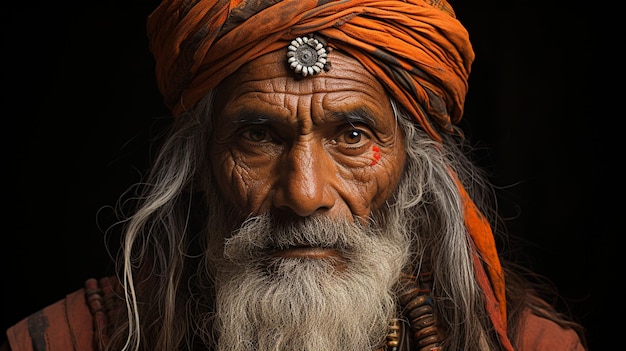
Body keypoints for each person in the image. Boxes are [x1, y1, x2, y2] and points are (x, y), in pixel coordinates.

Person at [2, 0, 588, 350]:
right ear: (200, 165)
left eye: (352, 137)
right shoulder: (72, 339)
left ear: (414, 171)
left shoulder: (531, 345)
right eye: (258, 136)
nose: (304, 193)